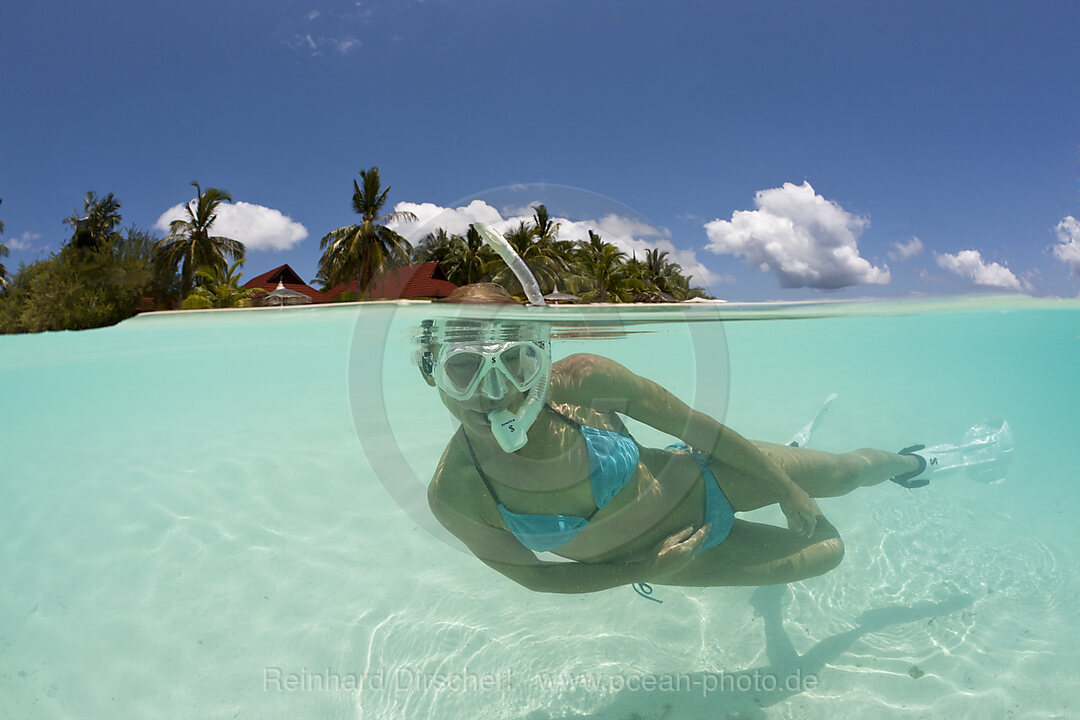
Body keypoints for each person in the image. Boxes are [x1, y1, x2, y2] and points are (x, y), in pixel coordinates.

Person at [418, 283, 957, 595]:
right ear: (432, 373)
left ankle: (912, 464)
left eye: (515, 363)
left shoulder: (584, 381)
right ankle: (797, 473)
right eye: (464, 369)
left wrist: (785, 486)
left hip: (704, 480)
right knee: (829, 552)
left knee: (845, 473)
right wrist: (645, 570)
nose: (496, 394)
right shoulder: (456, 495)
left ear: (541, 356)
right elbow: (533, 578)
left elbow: (697, 427)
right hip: (683, 557)